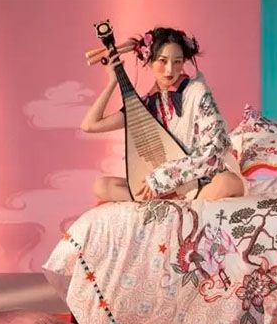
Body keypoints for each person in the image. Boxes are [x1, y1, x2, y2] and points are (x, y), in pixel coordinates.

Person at [80, 27, 245, 202]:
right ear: (149, 61)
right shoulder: (147, 105)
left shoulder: (197, 91)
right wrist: (113, 81)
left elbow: (216, 149)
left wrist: (163, 177)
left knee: (228, 182)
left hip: (202, 181)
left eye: (177, 62)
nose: (169, 70)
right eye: (162, 61)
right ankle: (174, 204)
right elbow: (90, 125)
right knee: (102, 186)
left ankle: (178, 206)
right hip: (165, 189)